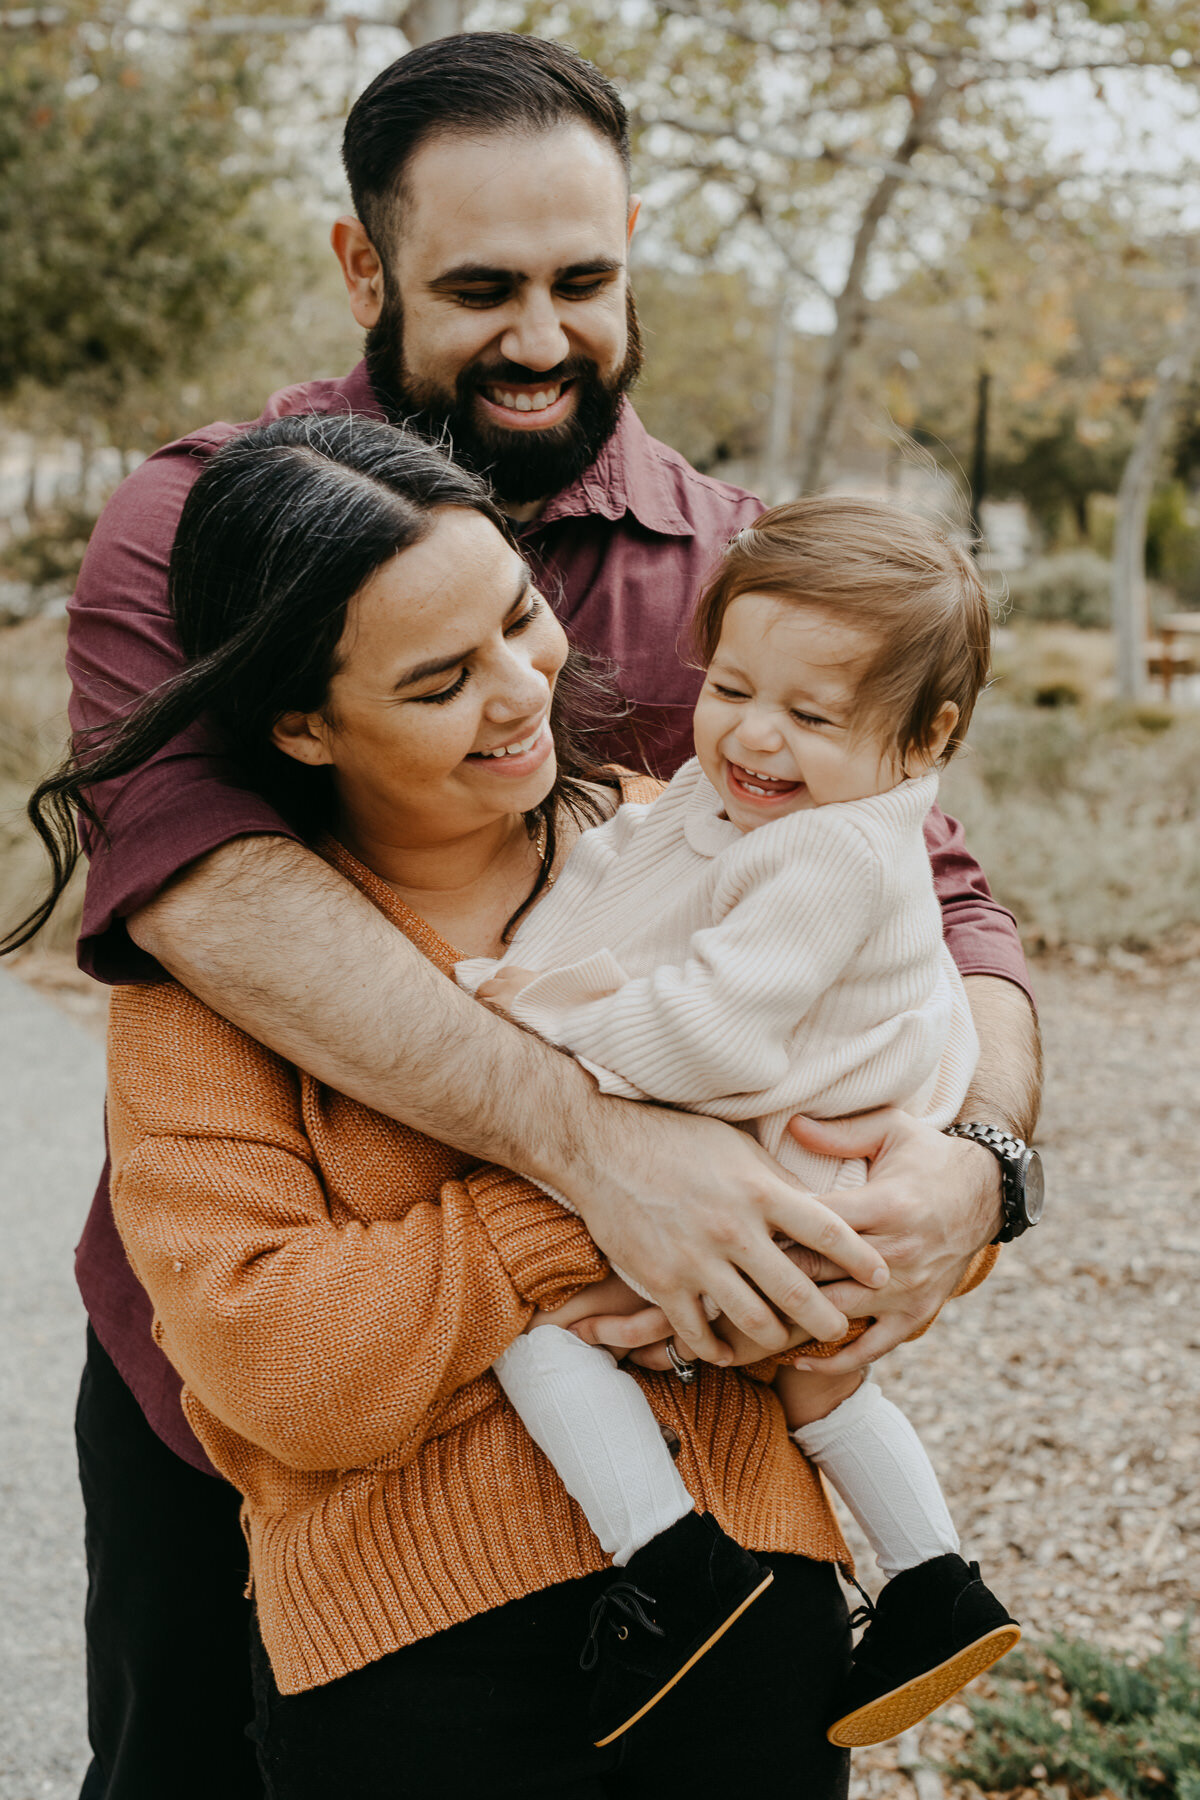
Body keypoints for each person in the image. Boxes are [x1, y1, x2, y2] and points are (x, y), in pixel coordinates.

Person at [9, 30, 1039, 1799]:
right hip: (286, 1436)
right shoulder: (193, 529)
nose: (546, 337)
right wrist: (595, 1165)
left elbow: (939, 904)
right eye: (482, 288)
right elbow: (200, 886)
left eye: (587, 278)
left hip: (694, 1429)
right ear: (363, 264)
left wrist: (979, 1170)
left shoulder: (746, 566)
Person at [24, 413, 900, 1796]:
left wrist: (911, 1194)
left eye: (517, 617)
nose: (522, 691)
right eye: (441, 681)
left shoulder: (689, 838)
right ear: (304, 723)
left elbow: (850, 1120)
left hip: (759, 1619)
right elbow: (277, 1363)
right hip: (409, 1682)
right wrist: (600, 1203)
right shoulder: (220, 978)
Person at [457, 497, 1024, 1751]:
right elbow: (641, 864)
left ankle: (675, 1567)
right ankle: (935, 1580)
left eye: (812, 718)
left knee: (545, 1337)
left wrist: (519, 1027)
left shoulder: (828, 855)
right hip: (811, 1164)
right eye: (730, 687)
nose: (754, 737)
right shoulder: (762, 810)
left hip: (779, 1156)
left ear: (927, 737)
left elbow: (710, 1041)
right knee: (820, 1378)